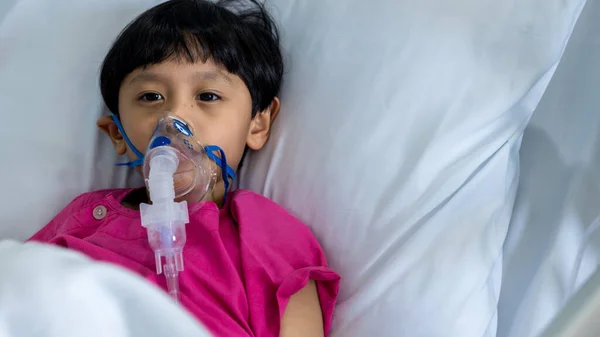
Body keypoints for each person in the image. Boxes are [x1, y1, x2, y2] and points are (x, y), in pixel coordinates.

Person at [27, 1, 340, 336]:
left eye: (207, 96)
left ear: (257, 124)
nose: (175, 116)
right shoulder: (84, 221)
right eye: (150, 97)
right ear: (118, 134)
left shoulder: (267, 235)